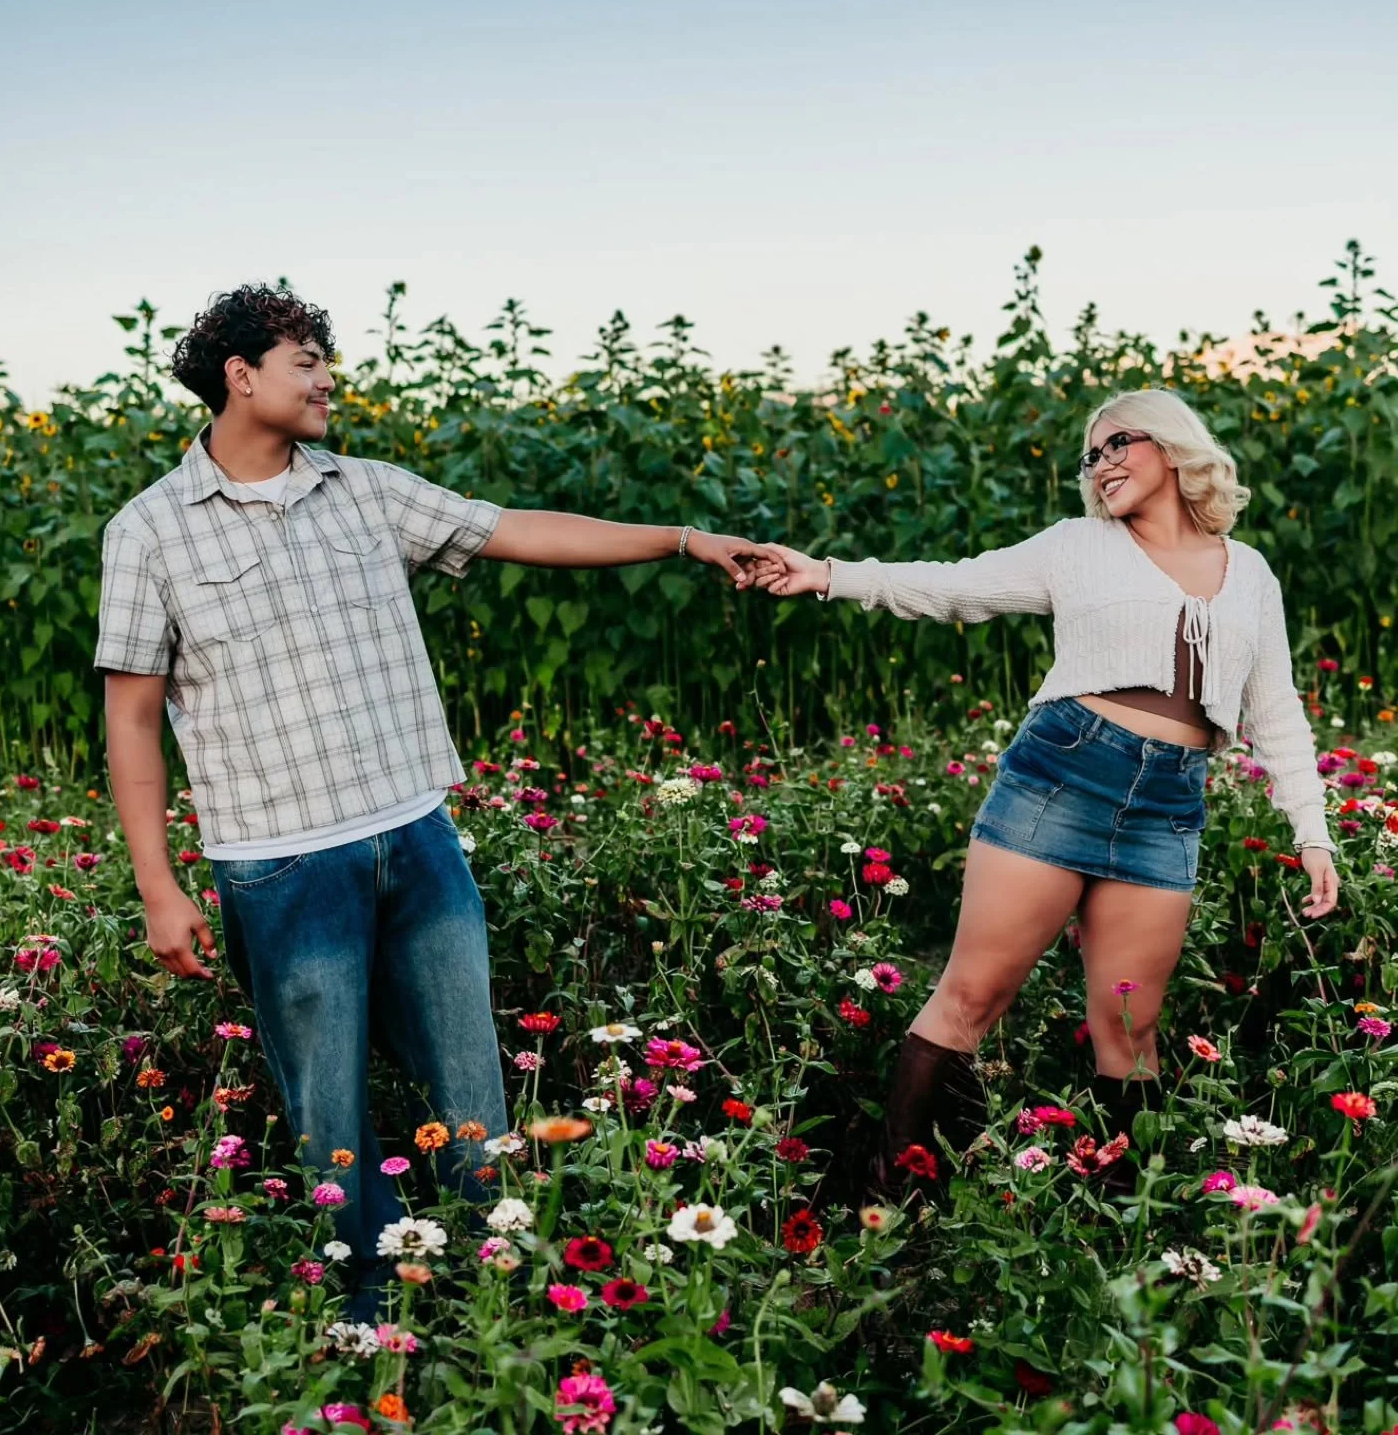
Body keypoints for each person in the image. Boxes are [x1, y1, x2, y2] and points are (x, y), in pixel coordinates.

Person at [93, 284, 763, 1308]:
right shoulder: (149, 532)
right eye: (306, 360)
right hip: (279, 863)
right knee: (330, 1113)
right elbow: (132, 718)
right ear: (241, 375)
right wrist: (157, 884)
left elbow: (520, 530)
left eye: (325, 359)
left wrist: (680, 538)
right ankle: (366, 1317)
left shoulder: (365, 491)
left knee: (473, 1091)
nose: (327, 379)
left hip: (416, 835)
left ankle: (505, 1291)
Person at [753, 388, 1339, 1198]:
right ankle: (888, 1204)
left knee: (1130, 1032)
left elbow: (1276, 708)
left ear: (1171, 446)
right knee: (973, 996)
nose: (1100, 467)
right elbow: (958, 587)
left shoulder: (1252, 574)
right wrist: (827, 575)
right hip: (1064, 773)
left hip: (1168, 805)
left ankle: (1114, 1239)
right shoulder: (1078, 546)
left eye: (1116, 444)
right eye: (1090, 458)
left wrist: (1313, 829)